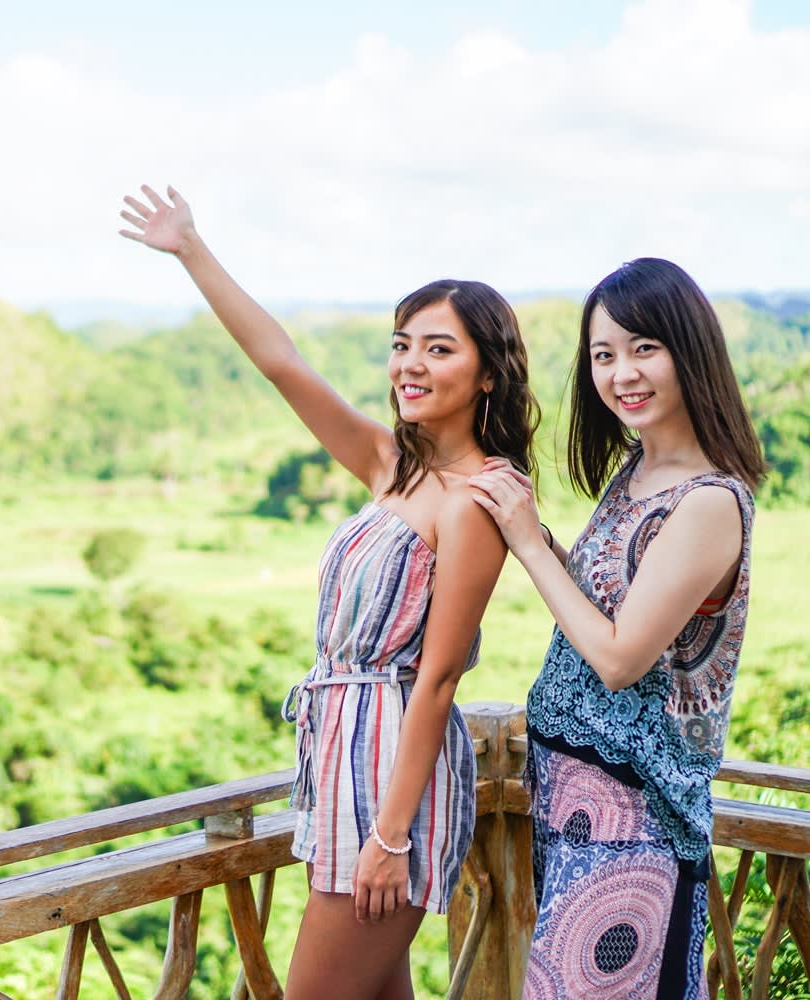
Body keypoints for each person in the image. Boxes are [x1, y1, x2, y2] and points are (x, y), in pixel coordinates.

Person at [119, 184, 540, 998]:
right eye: (400, 344)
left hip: (391, 779)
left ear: (488, 373)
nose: (410, 365)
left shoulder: (480, 498)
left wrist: (389, 833)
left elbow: (441, 675)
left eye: (439, 349)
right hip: (336, 755)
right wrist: (191, 248)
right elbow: (281, 363)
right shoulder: (393, 465)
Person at [468, 257, 764, 999]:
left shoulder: (706, 502)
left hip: (632, 822)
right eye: (602, 355)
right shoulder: (635, 472)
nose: (620, 372)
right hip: (574, 809)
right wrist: (528, 531)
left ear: (687, 352)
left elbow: (619, 658)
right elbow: (605, 609)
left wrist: (530, 544)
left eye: (642, 348)